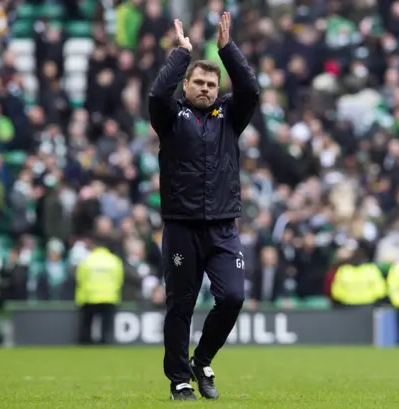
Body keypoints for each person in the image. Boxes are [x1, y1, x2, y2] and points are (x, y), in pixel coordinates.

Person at [148, 12, 259, 401]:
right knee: (181, 305)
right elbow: (156, 95)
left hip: (223, 227)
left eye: (212, 84)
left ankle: (203, 358)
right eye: (199, 82)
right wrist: (181, 53)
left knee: (233, 297)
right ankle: (179, 380)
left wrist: (227, 49)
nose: (207, 89)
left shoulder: (229, 117)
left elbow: (251, 89)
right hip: (181, 226)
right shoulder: (170, 118)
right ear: (187, 84)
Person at [75, 237, 124, 345]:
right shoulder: (114, 260)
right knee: (105, 325)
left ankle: (85, 342)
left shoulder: (87, 260)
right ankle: (104, 342)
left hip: (89, 296)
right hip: (109, 296)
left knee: (87, 323)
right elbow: (119, 280)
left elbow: (80, 279)